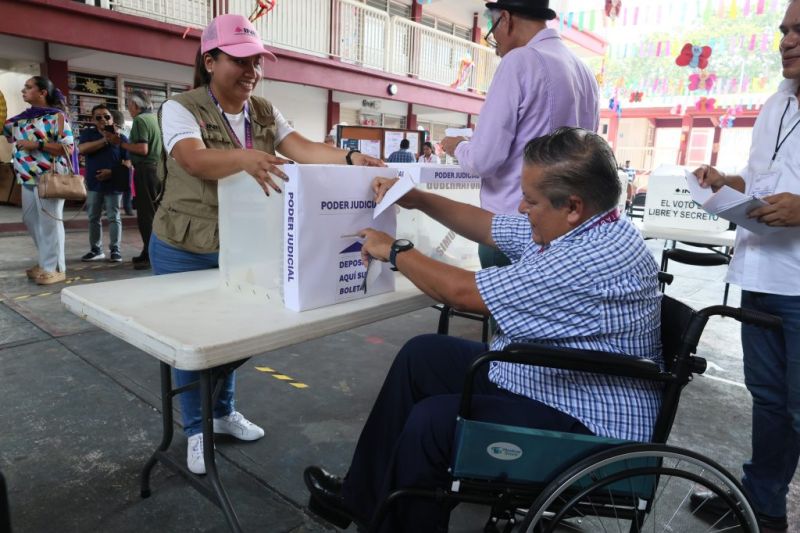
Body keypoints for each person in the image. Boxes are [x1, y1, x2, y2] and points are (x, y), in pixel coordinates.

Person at [304, 128, 662, 532]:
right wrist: (417, 198)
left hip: (587, 423)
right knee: (422, 356)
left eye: (530, 200)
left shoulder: (587, 258)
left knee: (434, 424)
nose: (523, 208)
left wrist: (395, 251)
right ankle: (362, 499)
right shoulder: (589, 224)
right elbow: (490, 225)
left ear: (573, 206)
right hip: (553, 379)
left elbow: (462, 292)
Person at [155, 13, 383, 476]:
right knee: (193, 342)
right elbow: (194, 160)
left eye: (256, 61)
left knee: (239, 332)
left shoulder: (262, 110)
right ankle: (197, 429)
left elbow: (302, 148)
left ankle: (222, 412)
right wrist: (245, 157)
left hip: (244, 245)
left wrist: (352, 156)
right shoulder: (181, 107)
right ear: (210, 60)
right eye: (239, 60)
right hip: (186, 243)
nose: (251, 71)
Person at [688, 3, 800, 532]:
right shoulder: (775, 104)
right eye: (783, 30)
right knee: (770, 403)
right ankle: (764, 509)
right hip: (760, 274)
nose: (787, 41)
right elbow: (761, 185)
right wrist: (725, 183)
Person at [440, 0, 598, 271]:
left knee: (504, 312)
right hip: (567, 230)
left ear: (506, 19)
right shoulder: (584, 72)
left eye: (492, 32)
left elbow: (483, 160)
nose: (496, 45)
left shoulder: (519, 61)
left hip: (513, 229)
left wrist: (458, 146)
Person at [2, 76, 75, 285]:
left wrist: (38, 145)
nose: (23, 91)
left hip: (49, 177)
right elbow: (4, 131)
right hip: (26, 177)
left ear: (43, 92)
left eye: (28, 87)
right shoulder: (18, 120)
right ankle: (45, 262)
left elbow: (68, 148)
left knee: (50, 222)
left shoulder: (57, 117)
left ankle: (55, 267)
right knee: (31, 220)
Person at [108, 90, 163, 270]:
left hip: (146, 170)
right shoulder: (155, 119)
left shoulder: (140, 120)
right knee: (156, 214)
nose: (128, 109)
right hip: (159, 169)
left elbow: (142, 148)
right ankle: (153, 251)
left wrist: (120, 143)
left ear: (135, 105)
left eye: (129, 105)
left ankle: (150, 254)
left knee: (146, 215)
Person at [78, 104, 130, 263]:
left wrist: (112, 172)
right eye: (98, 117)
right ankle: (96, 250)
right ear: (93, 120)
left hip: (114, 183)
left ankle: (115, 250)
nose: (103, 119)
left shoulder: (122, 138)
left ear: (112, 119)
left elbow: (128, 162)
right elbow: (82, 149)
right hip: (94, 184)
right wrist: (105, 140)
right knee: (93, 217)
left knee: (114, 217)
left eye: (106, 116)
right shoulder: (88, 134)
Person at [110, 108, 135, 216]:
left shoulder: (123, 138)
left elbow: (128, 158)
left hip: (123, 166)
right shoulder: (105, 138)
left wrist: (127, 163)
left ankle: (128, 207)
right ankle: (108, 208)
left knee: (127, 187)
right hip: (113, 167)